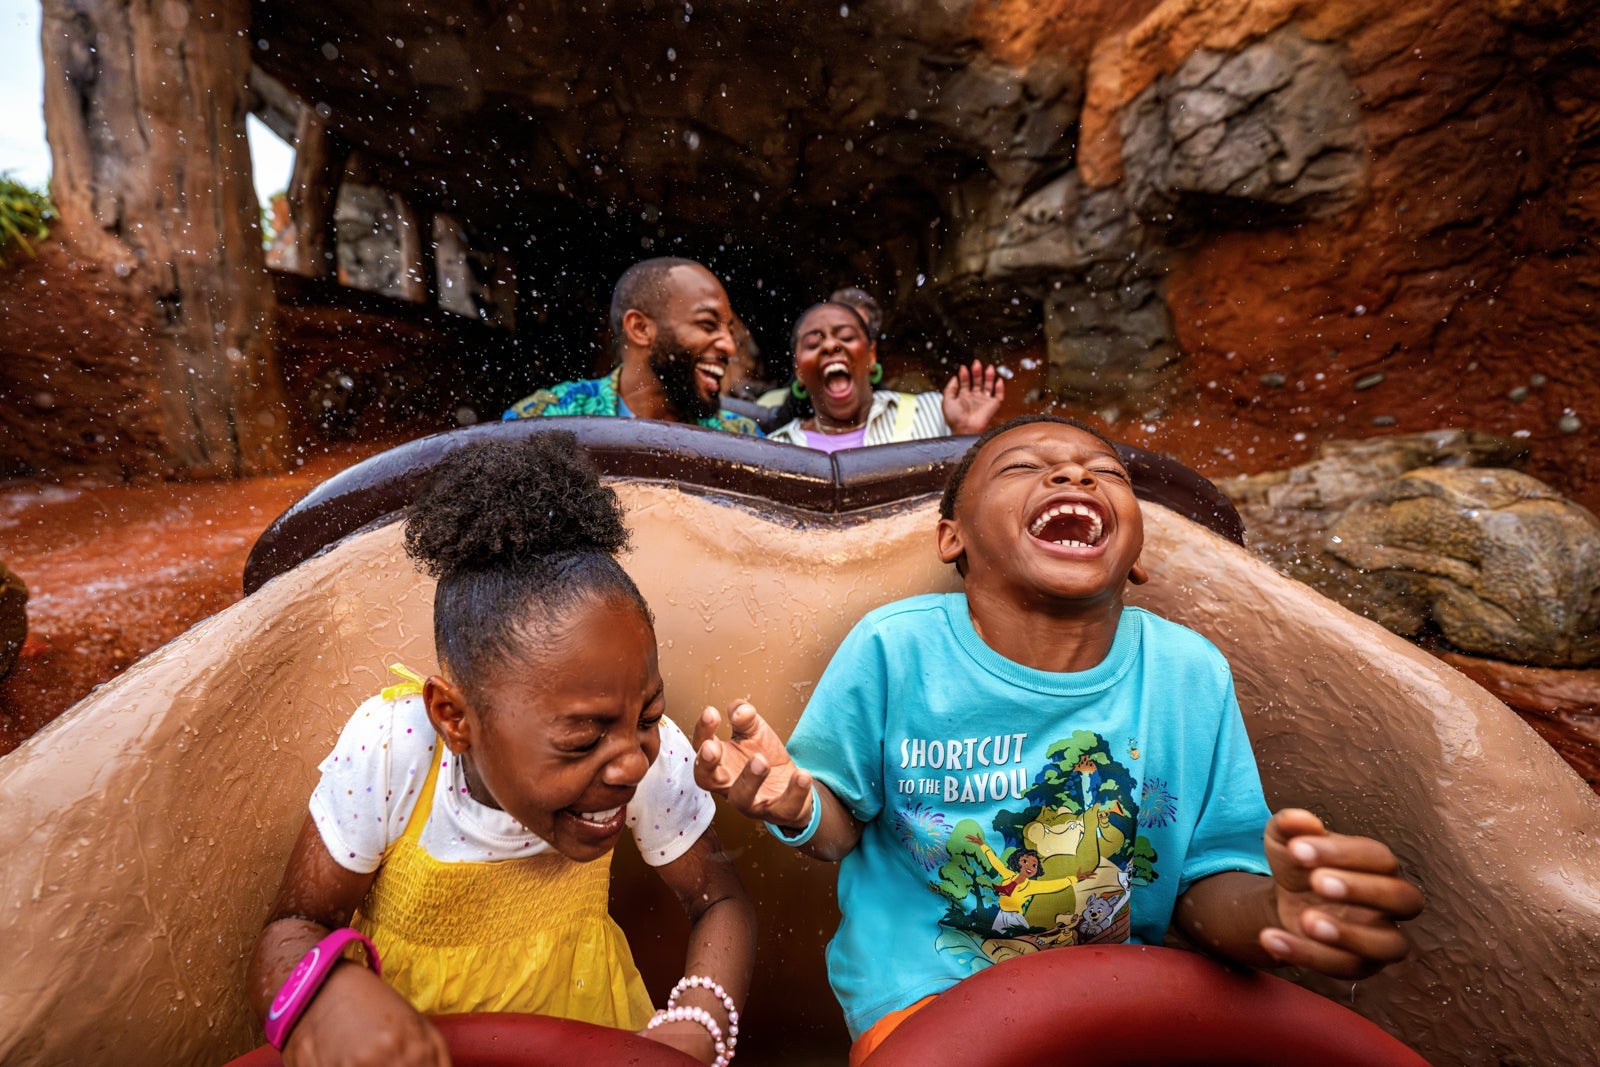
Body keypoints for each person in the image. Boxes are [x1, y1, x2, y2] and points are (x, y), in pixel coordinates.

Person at [692, 414, 1424, 1063]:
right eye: (1022, 467)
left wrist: (1279, 915)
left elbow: (1204, 886)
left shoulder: (1187, 673)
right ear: (954, 537)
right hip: (931, 1008)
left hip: (1121, 1000)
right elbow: (840, 825)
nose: (1074, 473)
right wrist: (797, 803)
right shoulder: (896, 649)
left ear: (1135, 552)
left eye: (1105, 473)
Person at [248, 432, 757, 1067]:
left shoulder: (646, 751)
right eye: (581, 739)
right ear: (455, 718)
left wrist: (700, 1022)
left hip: (592, 1035)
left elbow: (719, 898)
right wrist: (328, 999)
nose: (630, 761)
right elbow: (294, 925)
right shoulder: (395, 751)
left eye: (648, 715)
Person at [504, 257, 762, 435]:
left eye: (729, 331)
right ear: (640, 329)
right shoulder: (547, 419)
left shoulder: (742, 440)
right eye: (708, 325)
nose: (729, 347)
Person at [765, 301, 1005, 452]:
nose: (830, 345)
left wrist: (965, 432)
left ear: (871, 355)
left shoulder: (936, 412)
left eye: (846, 337)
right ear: (798, 370)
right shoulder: (777, 449)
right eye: (813, 343)